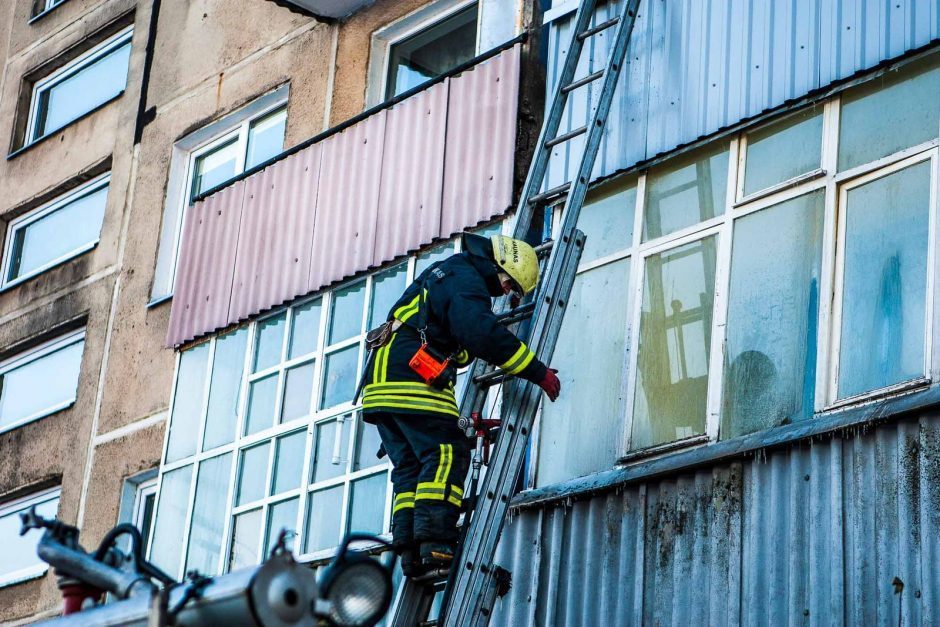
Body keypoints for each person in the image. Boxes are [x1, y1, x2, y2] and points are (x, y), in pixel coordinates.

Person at [359, 232, 561, 576]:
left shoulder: (450, 273)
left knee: (412, 468)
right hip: (410, 380)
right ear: (499, 267)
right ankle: (436, 543)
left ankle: (412, 552)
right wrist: (536, 370)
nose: (506, 294)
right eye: (510, 286)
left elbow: (456, 336)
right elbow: (479, 332)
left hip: (381, 386)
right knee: (447, 452)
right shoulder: (466, 280)